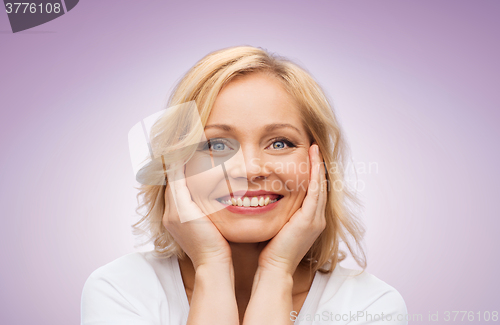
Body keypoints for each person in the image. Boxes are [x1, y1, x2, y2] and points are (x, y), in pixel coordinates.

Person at [81, 45, 408, 325]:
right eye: (216, 145)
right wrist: (211, 266)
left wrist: (276, 273)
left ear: (318, 166)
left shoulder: (371, 306)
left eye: (279, 143)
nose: (250, 169)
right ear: (175, 167)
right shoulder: (121, 290)